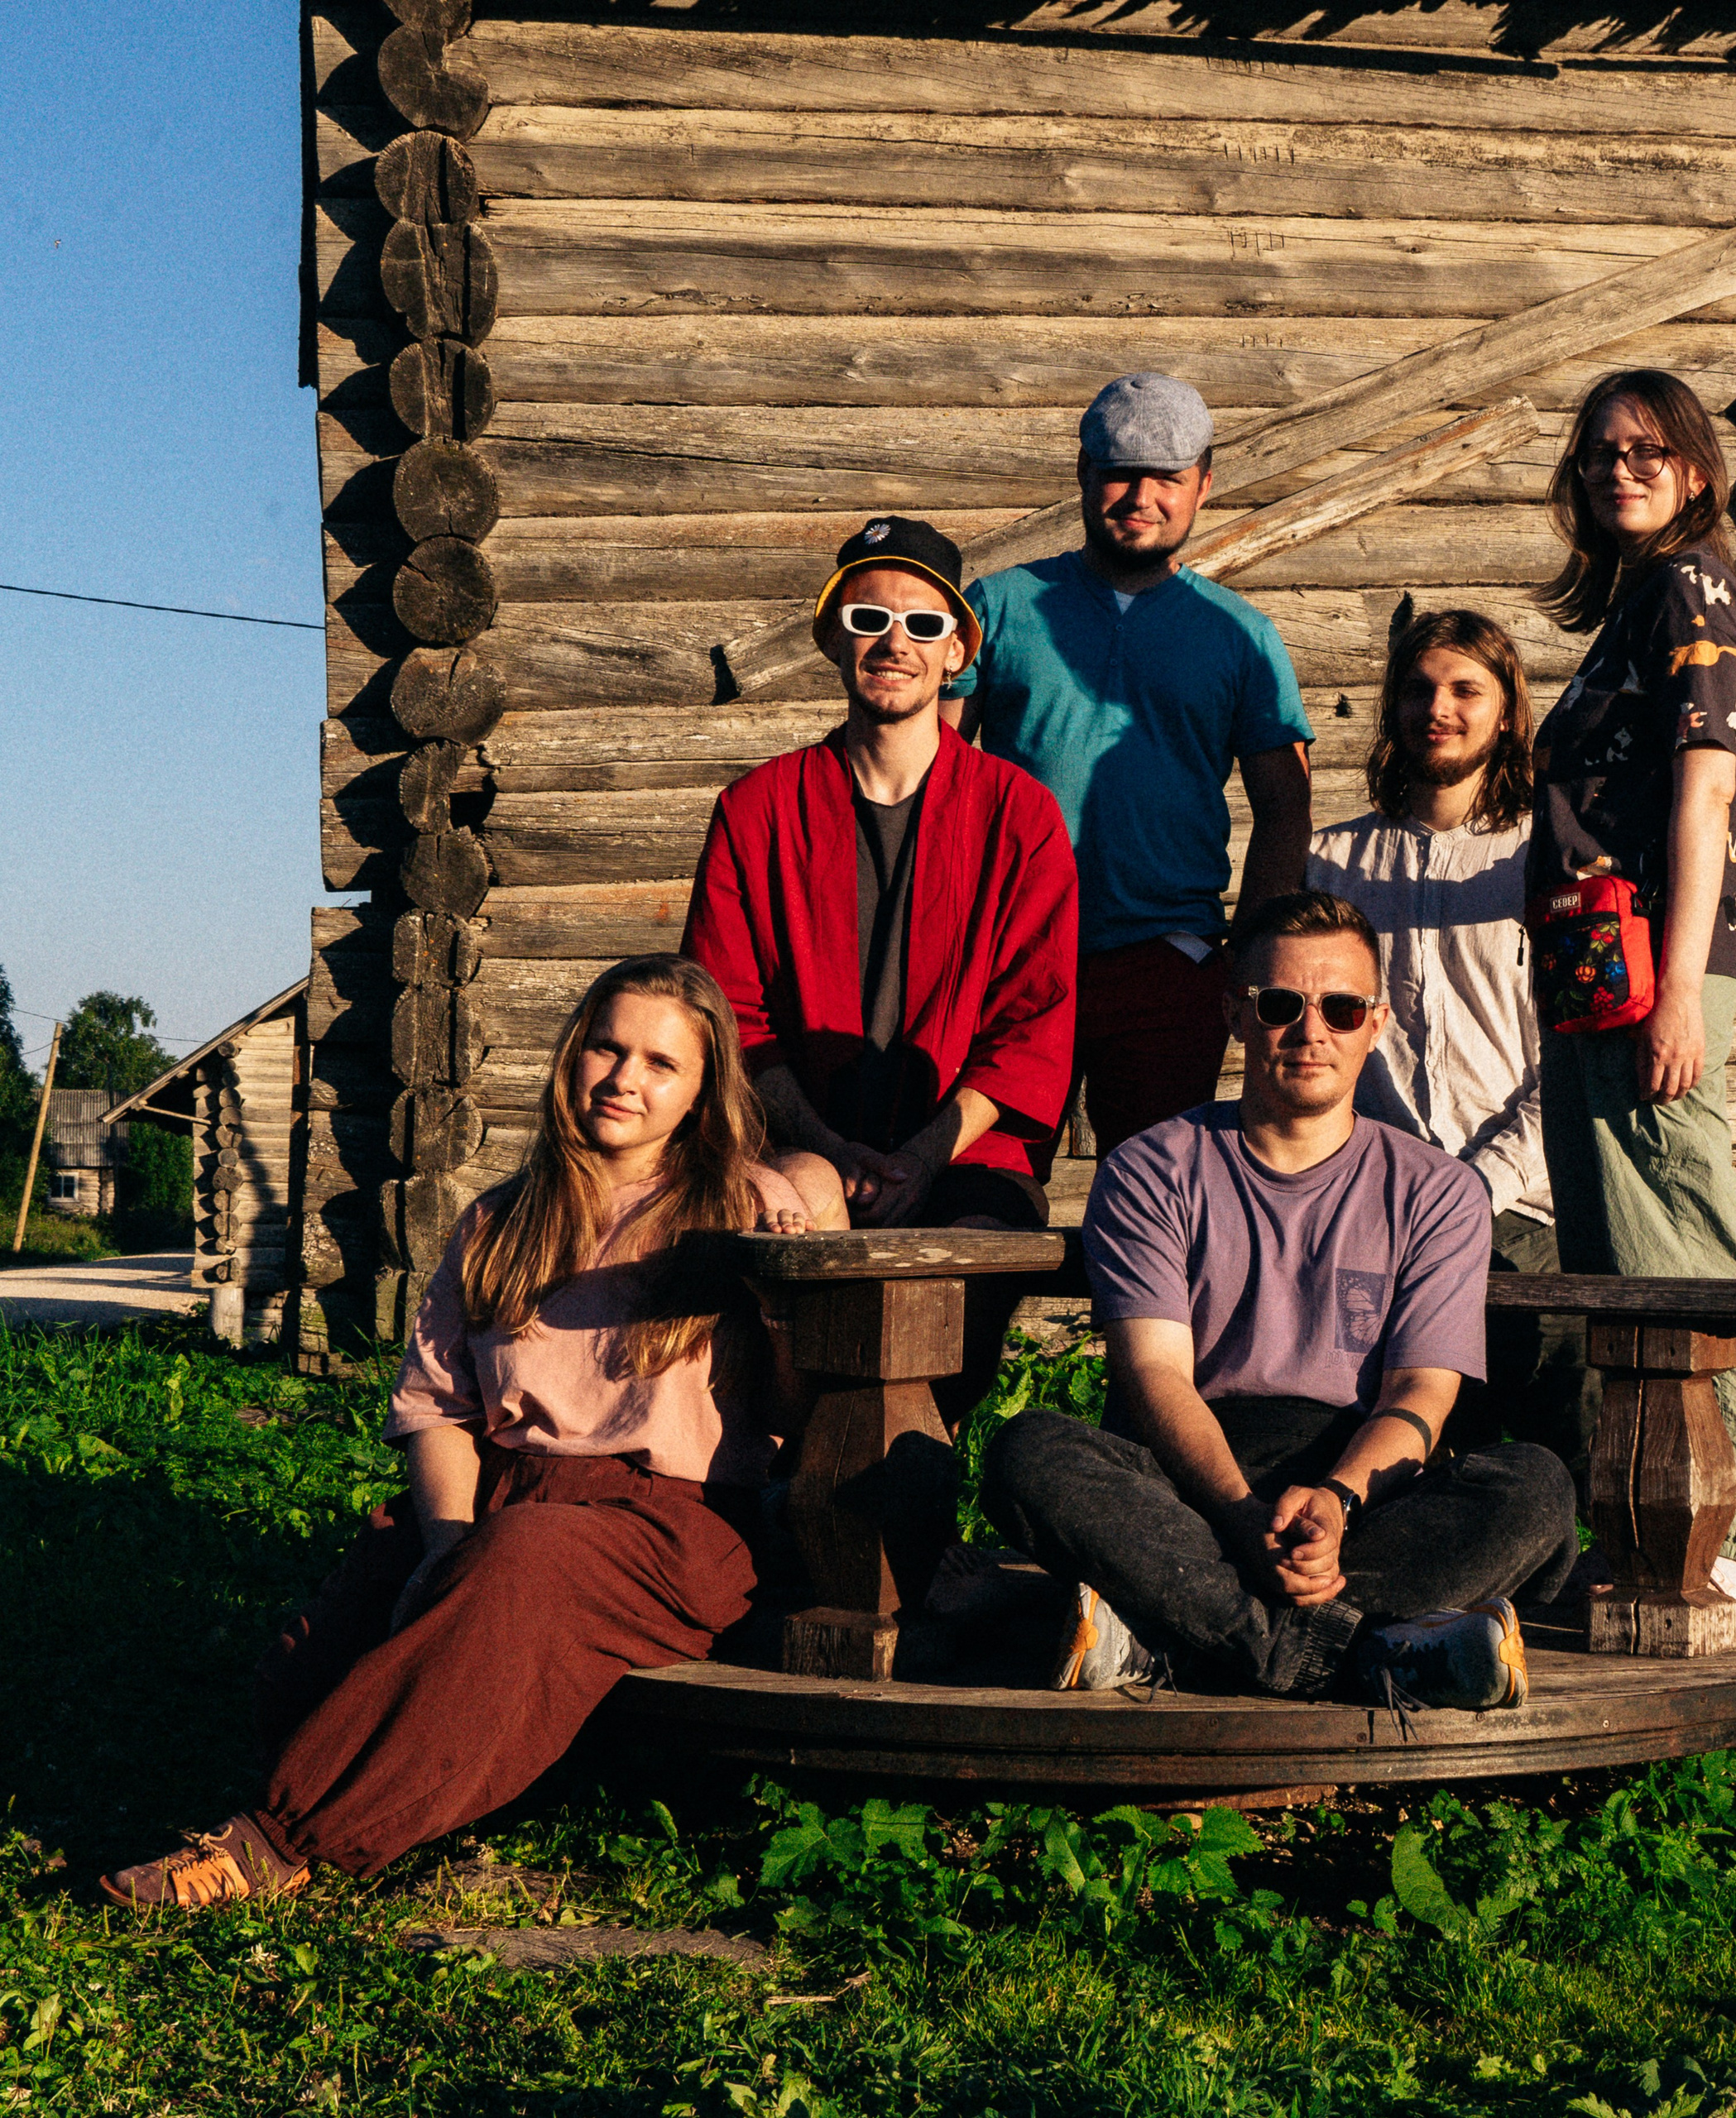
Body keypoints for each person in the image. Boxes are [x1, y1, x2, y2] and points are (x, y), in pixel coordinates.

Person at [101, 956, 813, 1908]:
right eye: (608, 1047)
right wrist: (446, 1543)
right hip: (506, 1492)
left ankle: (273, 1846)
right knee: (309, 1664)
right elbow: (438, 1406)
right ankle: (419, 1775)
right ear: (573, 1053)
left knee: (522, 1564)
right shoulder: (501, 1220)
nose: (624, 1079)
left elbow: (802, 1410)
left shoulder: (747, 1207)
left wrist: (791, 1308)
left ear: (700, 1090)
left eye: (660, 1063)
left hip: (673, 1523)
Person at [982, 891, 1578, 1705]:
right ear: (1234, 1013)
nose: (1310, 1031)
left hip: (1359, 1489)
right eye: (1279, 1005)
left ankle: (1185, 1637)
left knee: (1534, 1487)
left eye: (1340, 1008)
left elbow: (1421, 1392)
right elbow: (1154, 1375)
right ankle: (1361, 1653)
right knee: (1031, 1454)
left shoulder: (1438, 1191)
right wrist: (1238, 1514)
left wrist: (1335, 1501)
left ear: (1376, 1023)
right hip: (1188, 1485)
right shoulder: (1150, 1169)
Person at [683, 514, 1077, 1419]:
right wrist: (825, 1146)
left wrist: (923, 1158)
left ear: (957, 654)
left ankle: (904, 1468)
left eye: (923, 624)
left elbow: (1033, 1024)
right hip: (798, 1133)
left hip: (966, 1149)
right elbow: (728, 1013)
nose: (895, 643)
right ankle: (798, 1454)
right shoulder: (757, 809)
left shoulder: (1020, 815)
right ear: (832, 638)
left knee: (963, 1269)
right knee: (799, 1211)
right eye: (869, 619)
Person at [1527, 367, 1736, 1626]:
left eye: (1645, 450)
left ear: (1694, 469)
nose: (1617, 469)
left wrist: (1679, 989)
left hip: (1654, 967)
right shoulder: (1633, 601)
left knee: (1683, 1239)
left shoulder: (1693, 585)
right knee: (1617, 1253)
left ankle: (1732, 1538)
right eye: (1598, 453)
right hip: (1597, 968)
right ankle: (1646, 1527)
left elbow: (1705, 788)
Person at [946, 371, 1314, 1162]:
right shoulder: (999, 606)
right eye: (1120, 472)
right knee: (983, 1182)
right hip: (1012, 954)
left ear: (1204, 484)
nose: (1142, 497)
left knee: (1153, 1190)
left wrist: (1247, 959)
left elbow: (1285, 805)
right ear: (1083, 471)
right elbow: (932, 774)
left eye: (1168, 478)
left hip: (1168, 962)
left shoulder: (1240, 634)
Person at [1307, 607, 1599, 1497]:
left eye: (1465, 689)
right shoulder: (1333, 861)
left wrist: (1480, 1184)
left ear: (1507, 712)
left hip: (1529, 1209)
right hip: (1382, 1212)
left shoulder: (1547, 856)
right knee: (1403, 1466)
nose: (1438, 708)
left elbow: (1575, 1054)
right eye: (1418, 688)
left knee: (1569, 1444)